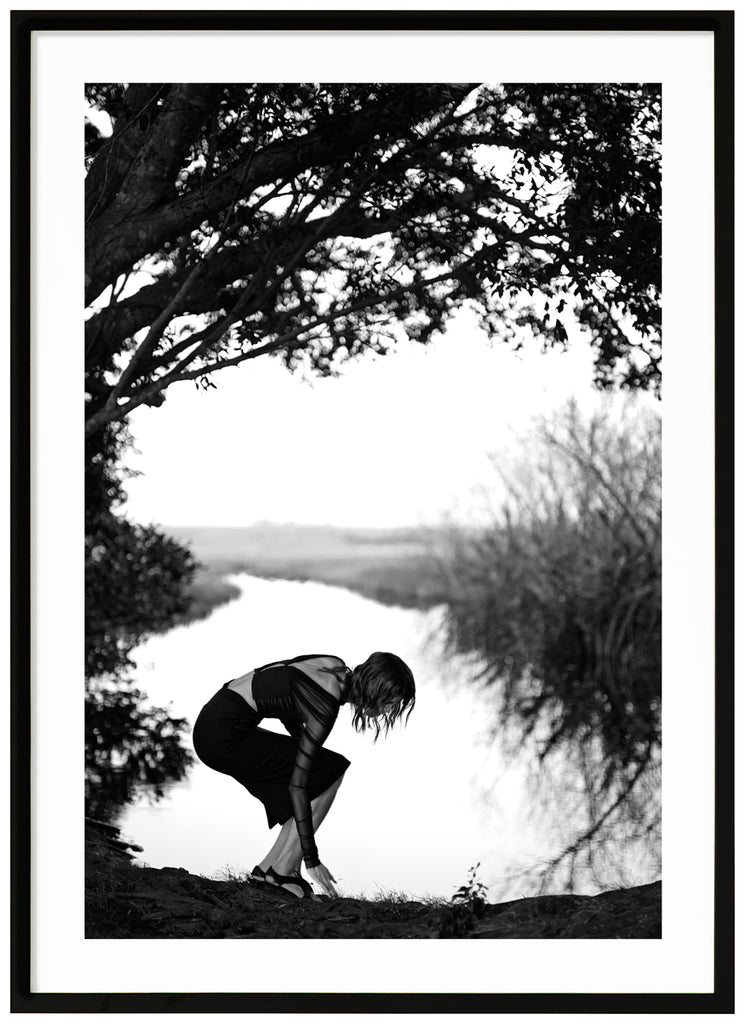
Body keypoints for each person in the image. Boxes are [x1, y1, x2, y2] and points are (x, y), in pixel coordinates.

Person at [192, 651, 415, 899]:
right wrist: (312, 859)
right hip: (222, 737)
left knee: (321, 770)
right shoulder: (325, 704)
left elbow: (285, 693)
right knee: (331, 771)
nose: (388, 710)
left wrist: (304, 755)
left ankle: (268, 869)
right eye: (389, 702)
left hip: (216, 722)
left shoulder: (333, 666)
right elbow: (298, 786)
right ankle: (283, 869)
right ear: (376, 689)